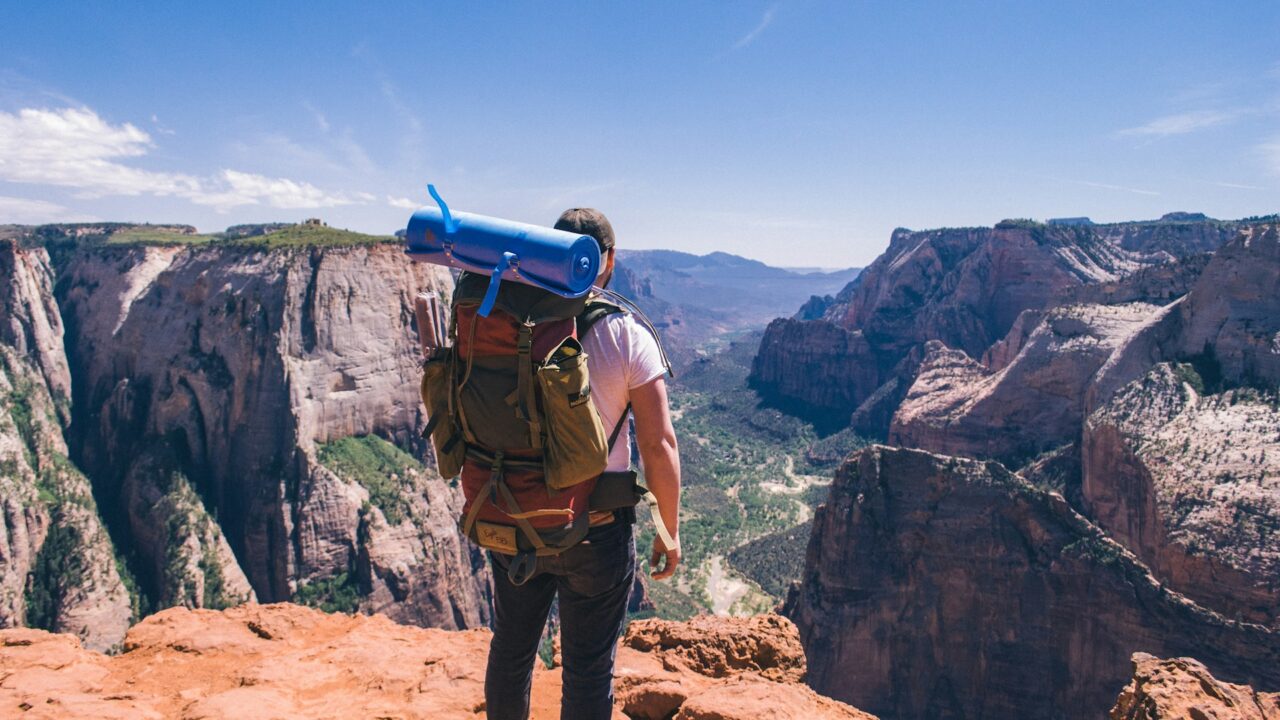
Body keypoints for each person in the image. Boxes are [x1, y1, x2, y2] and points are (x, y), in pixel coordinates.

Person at [483, 208, 683, 720]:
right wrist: (669, 529)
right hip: (596, 531)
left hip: (515, 515)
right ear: (607, 262)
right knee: (589, 671)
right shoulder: (625, 335)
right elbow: (660, 444)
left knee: (510, 651)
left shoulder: (503, 322)